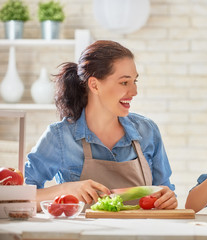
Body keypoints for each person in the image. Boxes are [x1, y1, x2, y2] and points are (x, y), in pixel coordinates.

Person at [25, 40, 177, 210]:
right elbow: (19, 199)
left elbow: (165, 193)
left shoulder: (147, 131)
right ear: (95, 85)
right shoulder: (60, 136)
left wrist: (168, 199)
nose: (134, 92)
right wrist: (65, 189)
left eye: (135, 82)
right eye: (124, 82)